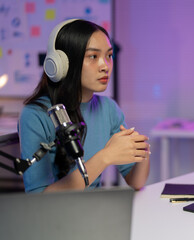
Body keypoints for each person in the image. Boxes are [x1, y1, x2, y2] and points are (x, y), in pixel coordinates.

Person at [18, 19, 150, 193]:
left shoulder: (108, 109)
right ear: (62, 64)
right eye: (93, 57)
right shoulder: (35, 115)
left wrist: (142, 153)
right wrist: (105, 157)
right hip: (54, 217)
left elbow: (135, 181)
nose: (105, 66)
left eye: (109, 56)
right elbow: (38, 199)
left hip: (93, 212)